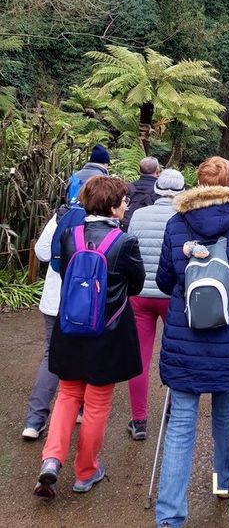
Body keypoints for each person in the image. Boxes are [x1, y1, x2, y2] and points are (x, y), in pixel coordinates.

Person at [154, 156, 229, 528]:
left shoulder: (177, 223)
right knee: (225, 414)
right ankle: (226, 484)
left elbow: (162, 280)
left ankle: (171, 516)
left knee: (181, 425)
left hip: (183, 338)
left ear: (199, 183)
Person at [34, 176, 145, 499]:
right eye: (123, 201)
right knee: (96, 403)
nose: (126, 205)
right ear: (112, 206)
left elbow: (67, 273)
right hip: (107, 332)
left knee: (67, 395)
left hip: (71, 327)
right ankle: (85, 471)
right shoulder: (124, 242)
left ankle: (52, 460)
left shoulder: (70, 236)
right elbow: (135, 285)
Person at [125, 169, 186, 441]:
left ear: (157, 189)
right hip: (172, 294)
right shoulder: (184, 218)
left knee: (139, 356)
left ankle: (139, 420)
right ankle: (173, 407)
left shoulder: (138, 215)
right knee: (175, 352)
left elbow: (129, 250)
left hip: (140, 294)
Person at [22, 201, 86, 440]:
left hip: (53, 298)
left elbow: (41, 251)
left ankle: (33, 421)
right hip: (84, 303)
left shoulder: (62, 216)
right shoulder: (102, 220)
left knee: (51, 354)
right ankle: (79, 410)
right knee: (84, 353)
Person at [121, 156, 161, 230]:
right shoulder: (159, 190)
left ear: (139, 170)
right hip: (150, 228)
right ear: (157, 170)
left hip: (127, 227)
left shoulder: (128, 188)